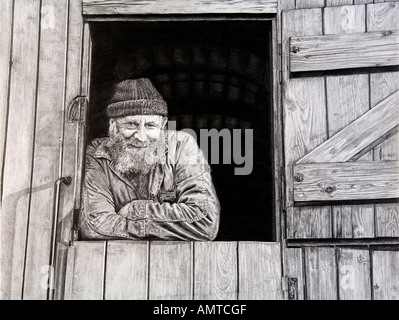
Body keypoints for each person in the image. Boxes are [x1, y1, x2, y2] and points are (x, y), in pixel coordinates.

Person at [80, 78, 220, 241]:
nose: (141, 137)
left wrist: (135, 210)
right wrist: (167, 225)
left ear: (163, 125)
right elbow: (94, 225)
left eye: (150, 126)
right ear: (113, 125)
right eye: (131, 124)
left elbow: (204, 220)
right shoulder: (97, 154)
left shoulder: (181, 146)